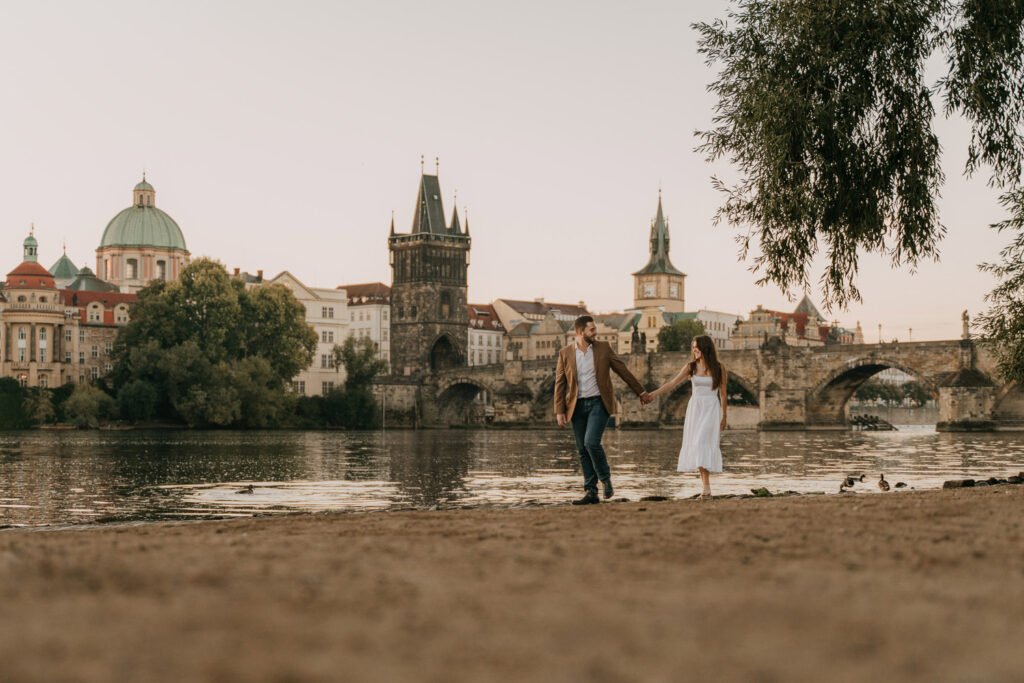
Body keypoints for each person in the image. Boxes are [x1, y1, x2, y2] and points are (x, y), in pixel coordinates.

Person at [554, 315, 652, 505]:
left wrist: (641, 391)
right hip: (576, 406)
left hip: (599, 403)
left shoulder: (603, 348)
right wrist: (560, 410)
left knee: (591, 442)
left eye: (595, 329)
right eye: (591, 330)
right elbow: (560, 383)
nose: (595, 333)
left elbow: (622, 370)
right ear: (580, 332)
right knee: (582, 449)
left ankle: (606, 480)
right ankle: (591, 492)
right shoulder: (565, 353)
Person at [648, 335, 727, 499]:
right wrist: (653, 394)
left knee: (702, 443)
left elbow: (723, 394)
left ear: (705, 348)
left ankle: (706, 489)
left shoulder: (719, 368)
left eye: (696, 347)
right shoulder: (691, 367)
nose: (694, 350)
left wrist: (724, 416)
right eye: (692, 347)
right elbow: (672, 383)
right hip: (696, 408)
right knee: (698, 445)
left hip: (711, 408)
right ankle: (706, 490)